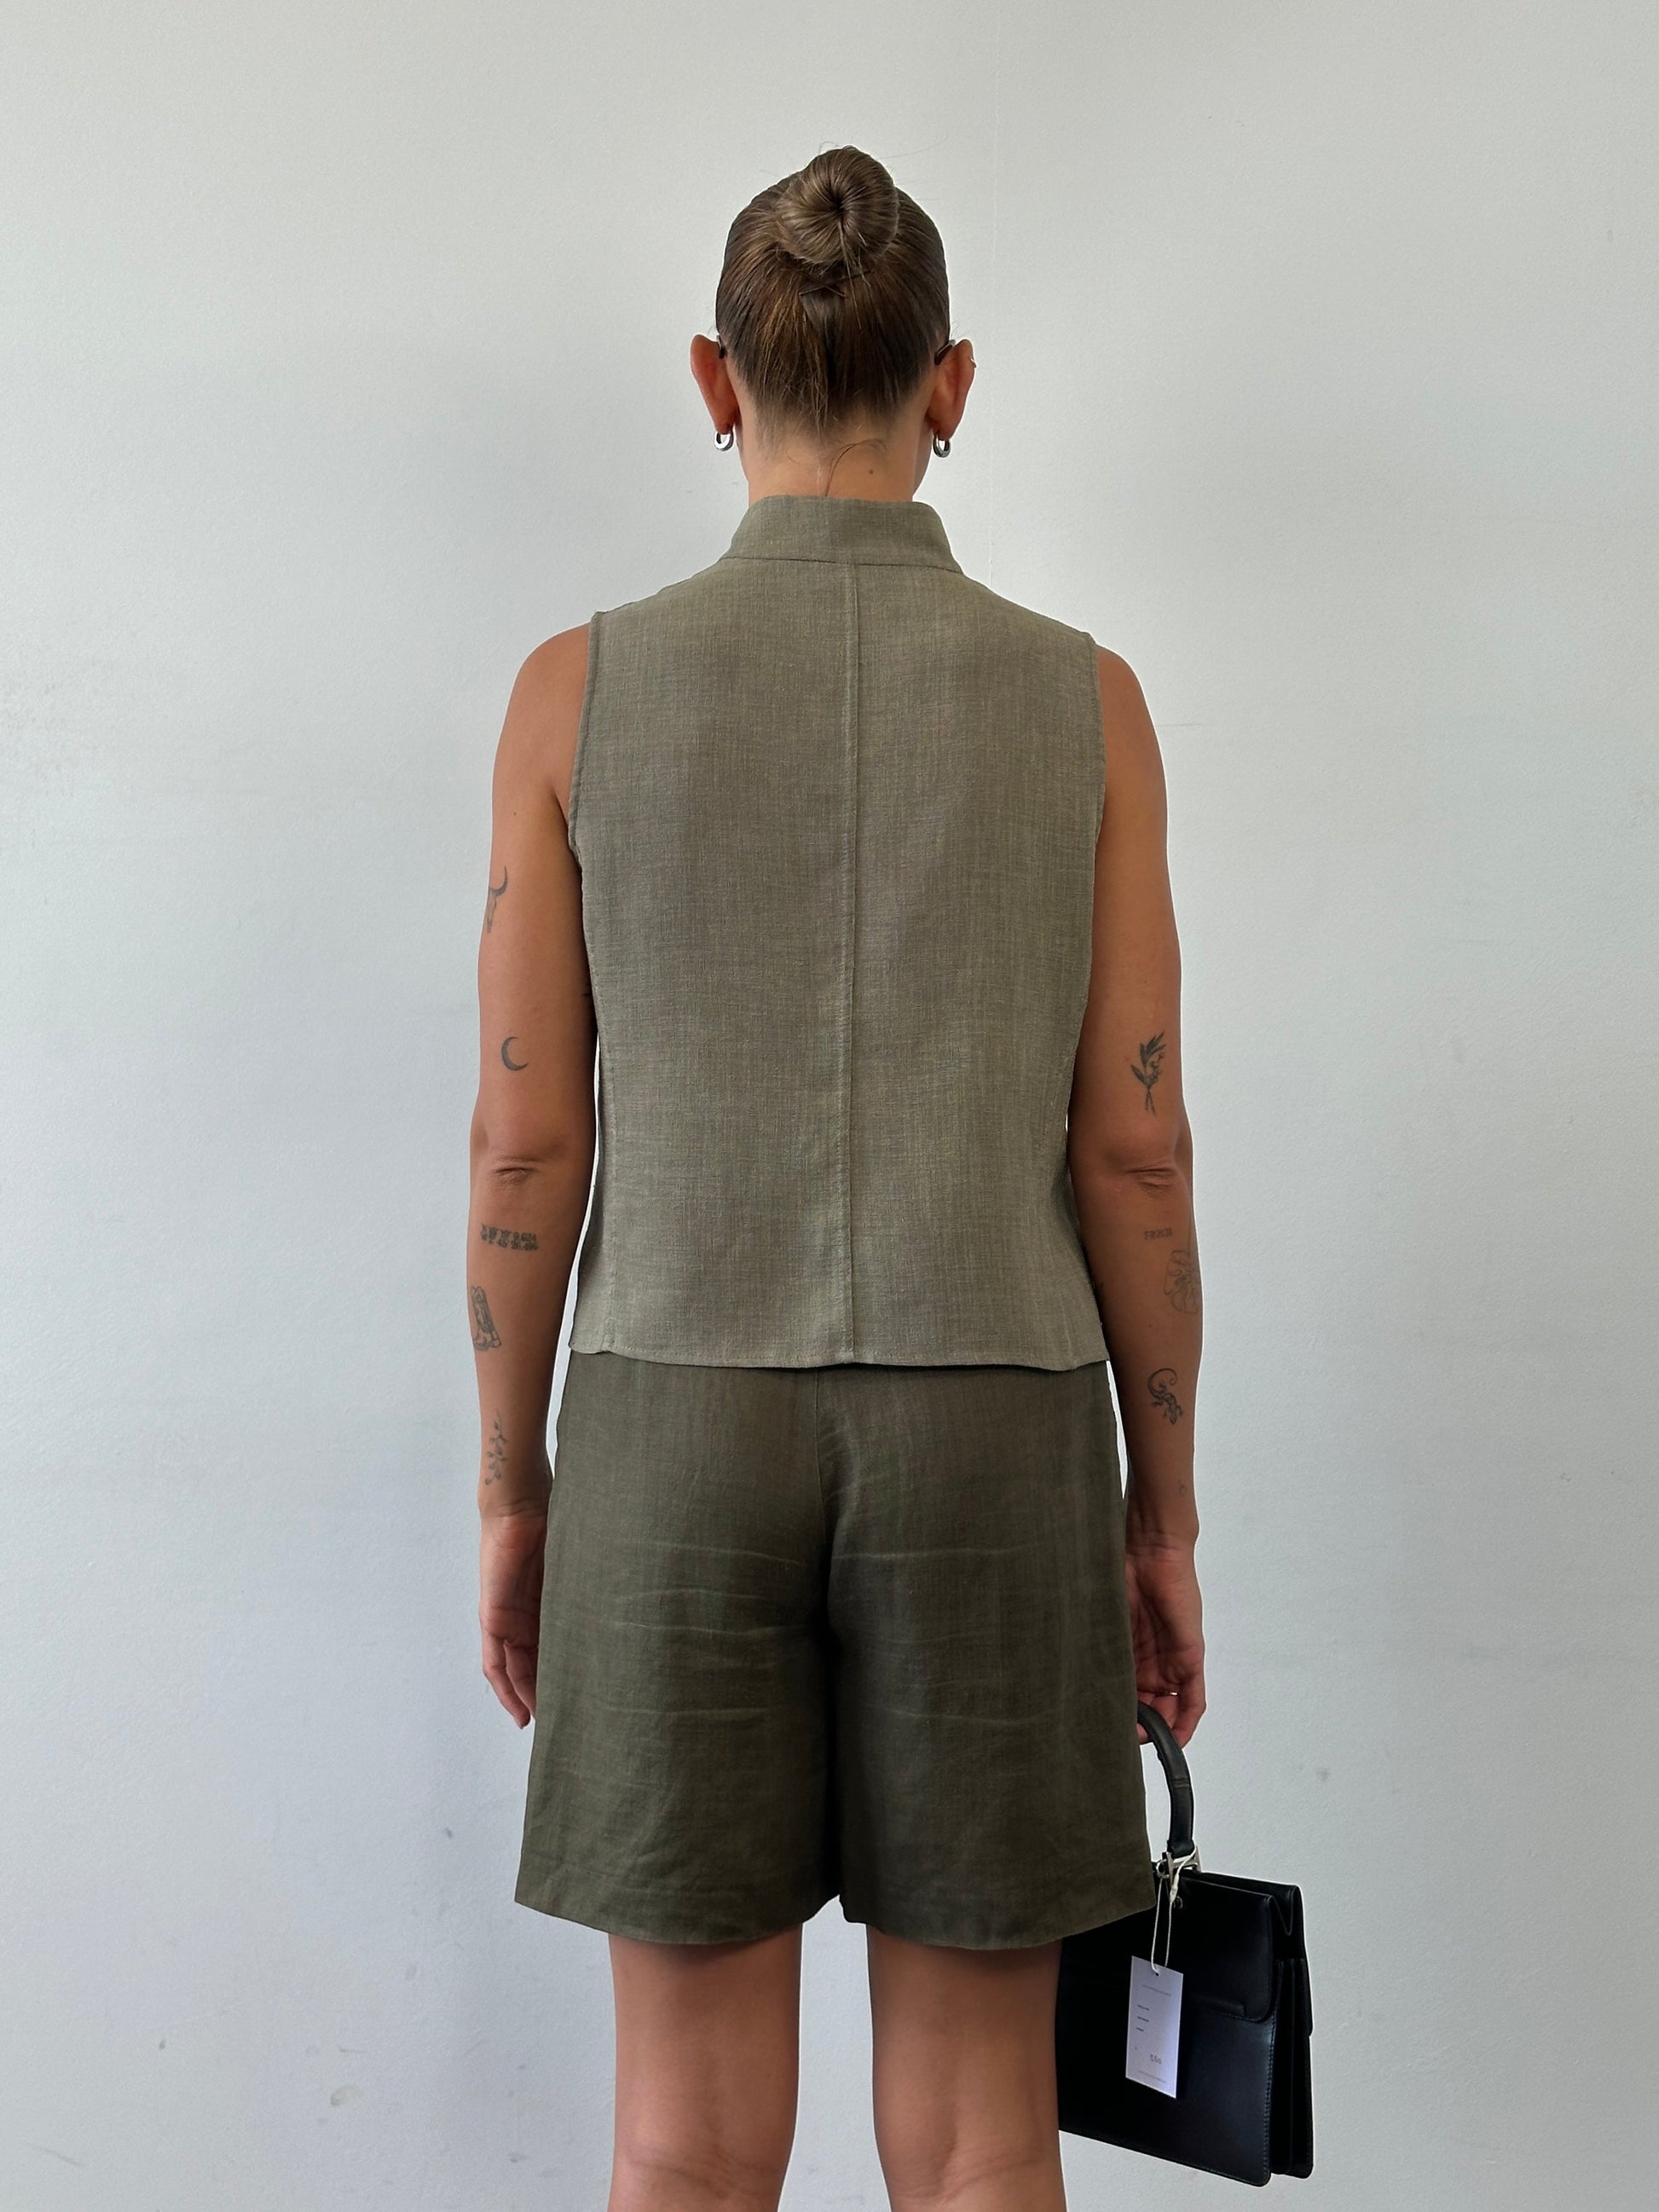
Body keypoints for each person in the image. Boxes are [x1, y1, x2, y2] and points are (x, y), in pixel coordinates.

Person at [465, 144, 1205, 2212]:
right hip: (1000, 1422)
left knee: (683, 2145)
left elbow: (526, 1137)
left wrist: (520, 1486)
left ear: (718, 378)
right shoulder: (1085, 704)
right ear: (947, 383)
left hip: (672, 1422)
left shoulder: (574, 692)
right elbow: (1132, 1142)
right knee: (977, 2140)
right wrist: (1161, 1511)